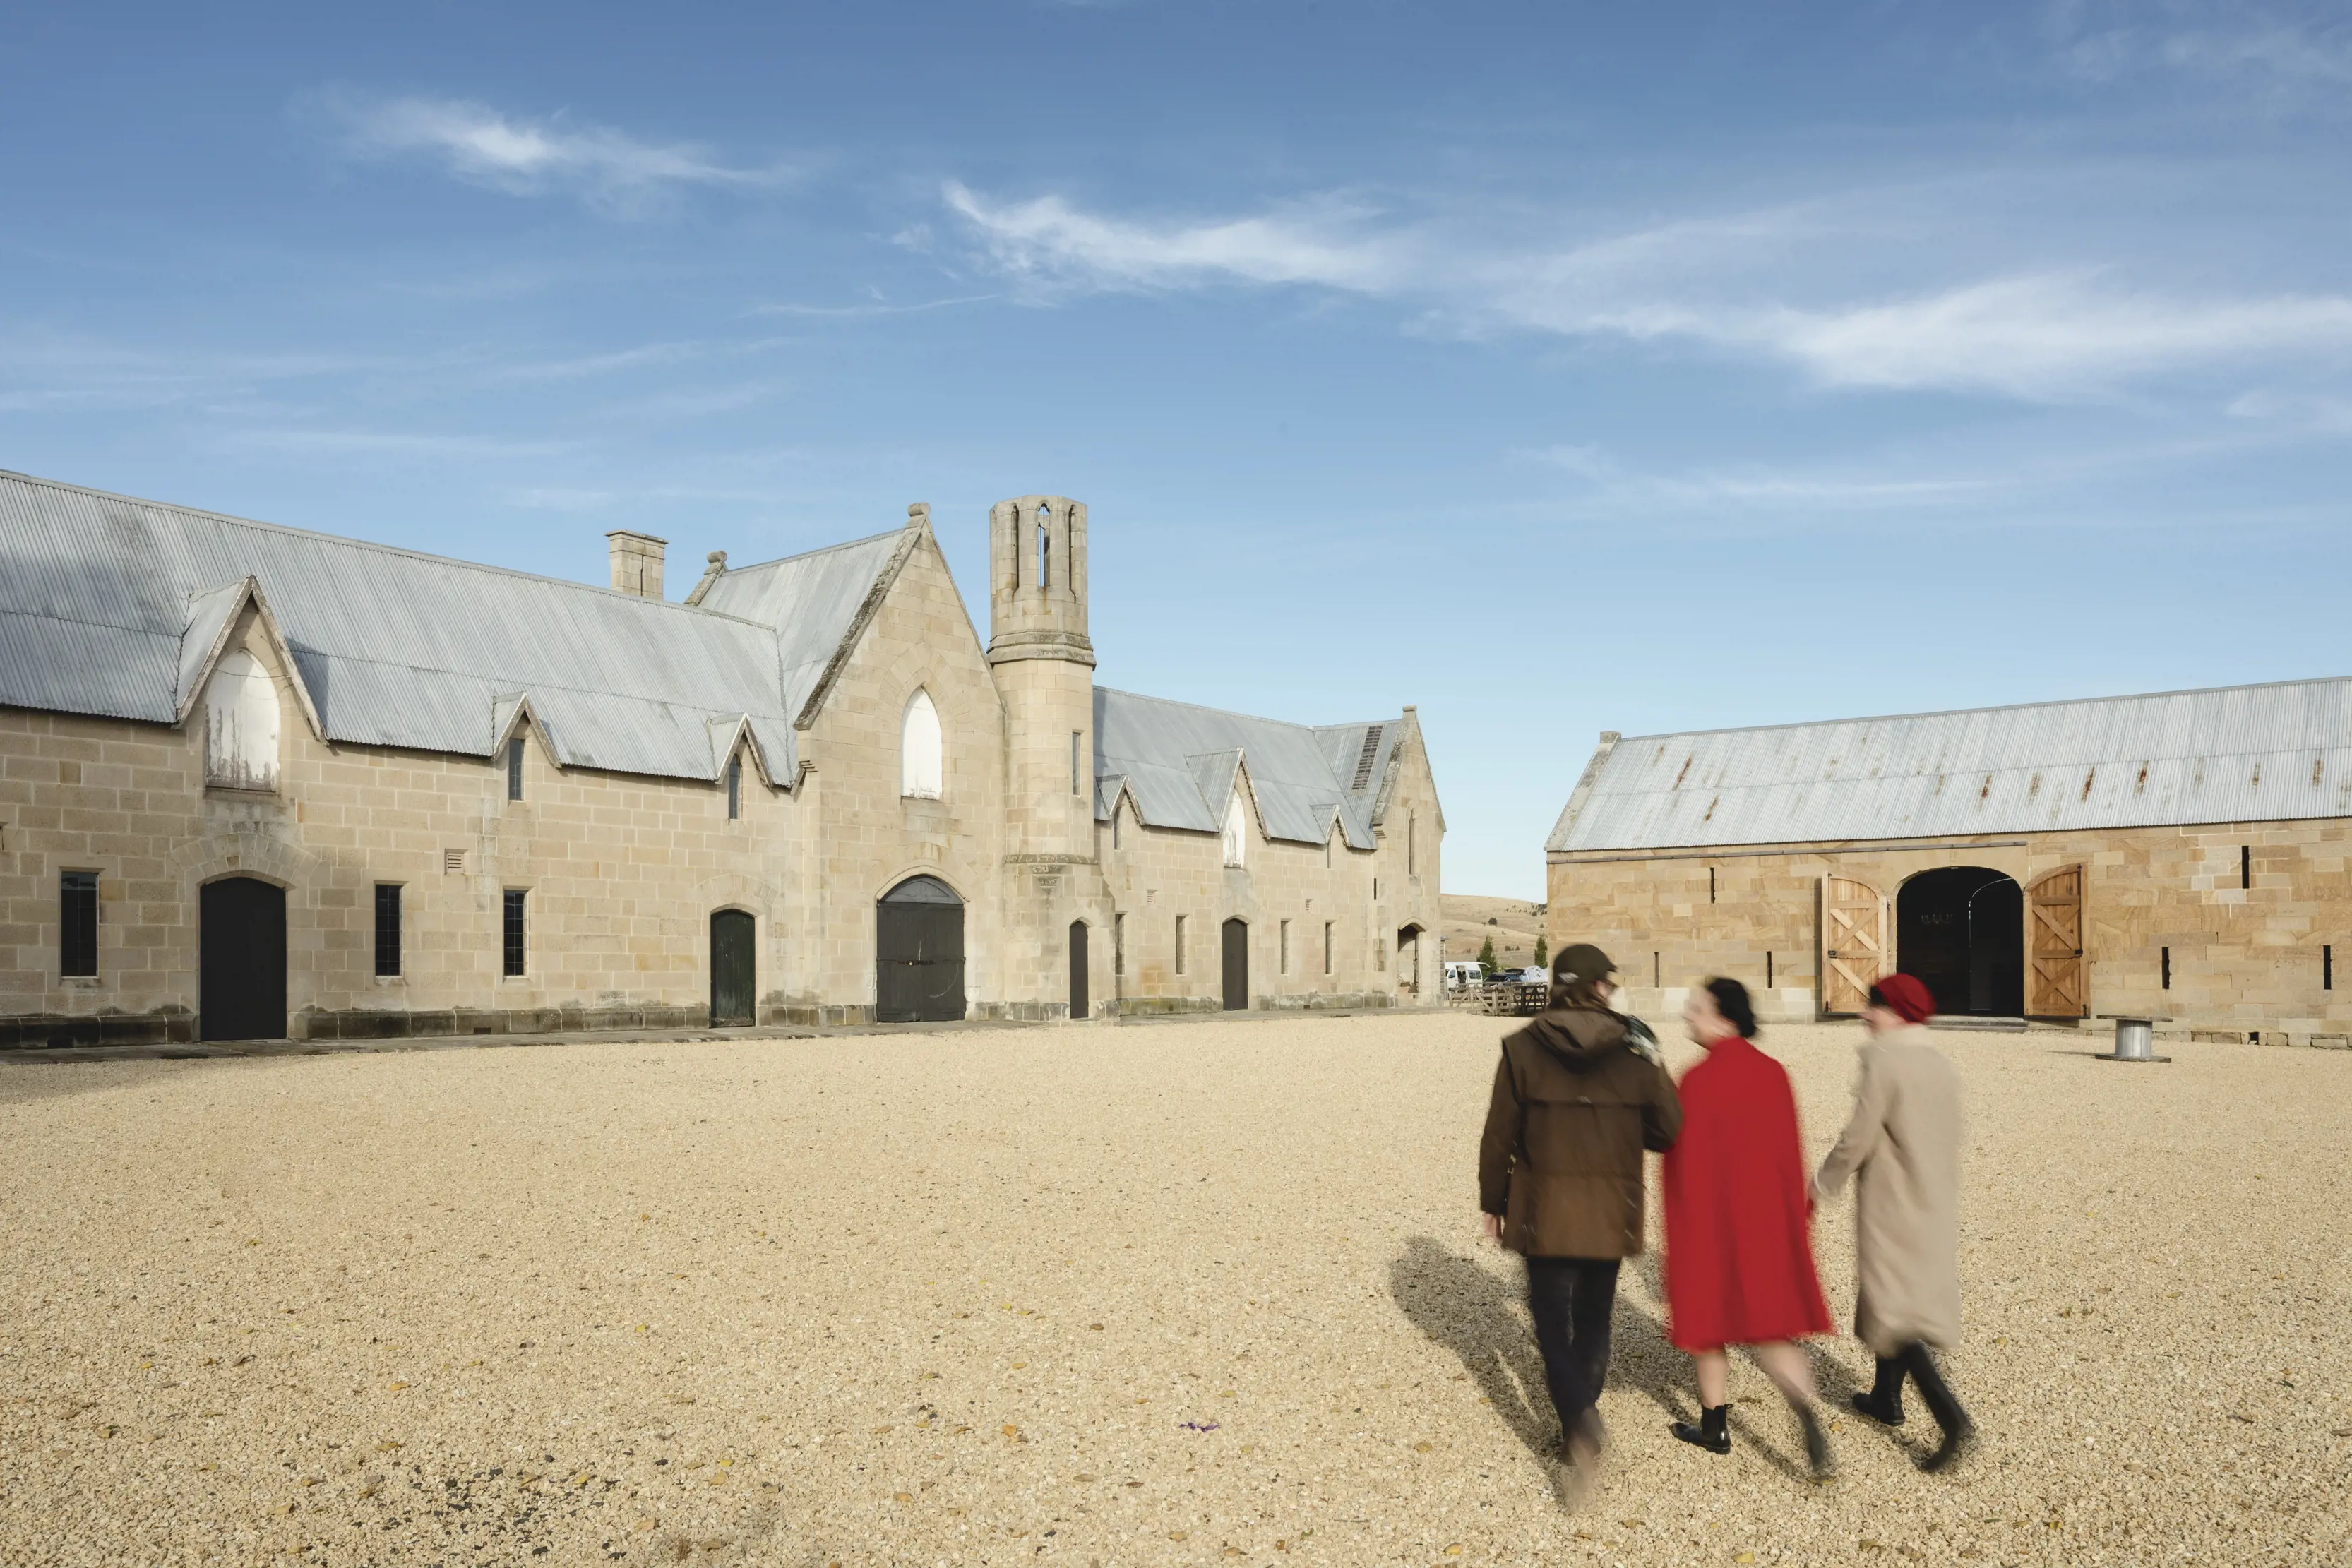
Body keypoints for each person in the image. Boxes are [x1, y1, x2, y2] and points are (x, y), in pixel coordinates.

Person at [1479, 943, 1682, 1505]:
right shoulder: (1636, 1046)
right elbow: (1667, 1132)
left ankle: (1580, 1422)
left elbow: (1499, 1132)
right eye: (1607, 984)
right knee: (1594, 1315)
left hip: (1544, 1207)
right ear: (1596, 986)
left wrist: (1492, 1199)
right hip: (1610, 1206)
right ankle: (1582, 1414)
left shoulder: (1521, 1046)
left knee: (1549, 1323)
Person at [1661, 978, 1835, 1478]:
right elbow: (1787, 1154)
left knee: (1707, 1327)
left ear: (1724, 1016)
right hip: (1763, 1226)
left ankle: (1713, 1426)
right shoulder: (1773, 1073)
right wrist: (1795, 1218)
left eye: (1695, 1008)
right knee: (1769, 1330)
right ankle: (1805, 1414)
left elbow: (1678, 1160)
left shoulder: (1694, 1080)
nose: (1688, 1016)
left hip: (1711, 1227)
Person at [1813, 972, 1976, 1471]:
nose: (1865, 1014)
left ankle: (1951, 1417)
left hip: (1892, 1198)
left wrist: (1821, 1185)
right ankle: (1885, 1398)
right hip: (1931, 1197)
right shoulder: (1939, 1064)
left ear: (1895, 1013)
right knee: (1897, 1292)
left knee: (1893, 1307)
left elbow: (1857, 1136)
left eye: (1873, 1007)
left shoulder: (1883, 1061)